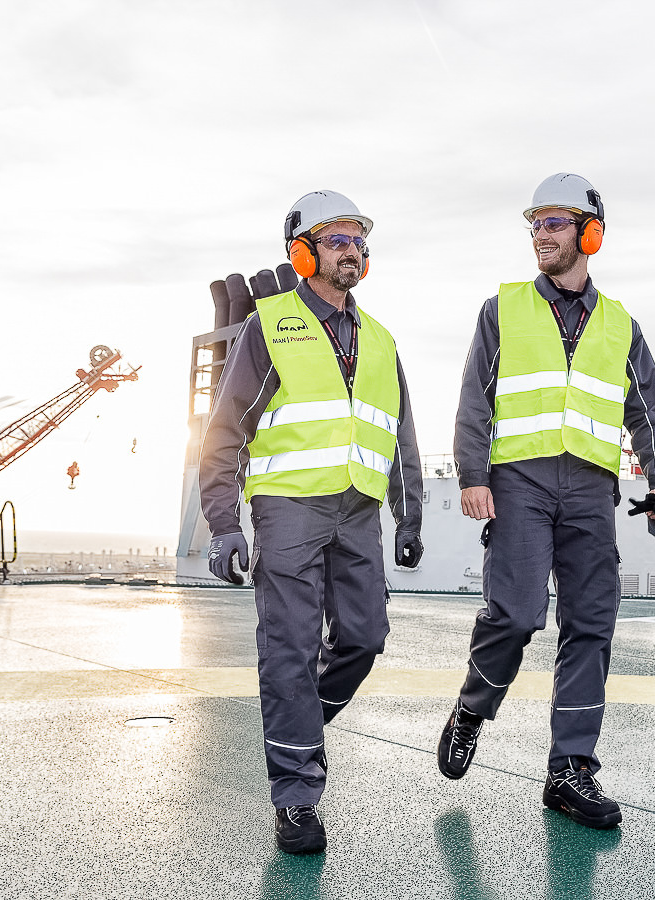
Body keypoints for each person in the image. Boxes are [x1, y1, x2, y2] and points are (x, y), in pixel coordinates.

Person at [437, 173, 655, 830]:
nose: (540, 235)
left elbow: (648, 413)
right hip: (519, 484)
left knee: (591, 625)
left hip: (592, 493)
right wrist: (472, 474)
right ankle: (472, 708)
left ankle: (569, 770)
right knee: (515, 616)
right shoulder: (503, 309)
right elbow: (473, 400)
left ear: (590, 233)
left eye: (554, 223)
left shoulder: (621, 325)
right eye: (535, 224)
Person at [199, 190, 423, 854]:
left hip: (358, 512)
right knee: (290, 649)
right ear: (303, 253)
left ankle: (300, 725)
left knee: (365, 638)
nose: (353, 250)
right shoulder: (270, 325)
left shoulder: (381, 339)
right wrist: (223, 522)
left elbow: (401, 436)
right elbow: (223, 432)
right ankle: (296, 796)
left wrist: (407, 517)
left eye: (360, 241)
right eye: (338, 240)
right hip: (290, 508)